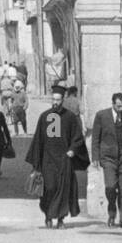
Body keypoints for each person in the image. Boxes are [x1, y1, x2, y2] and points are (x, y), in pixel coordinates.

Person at [26, 84, 88, 228]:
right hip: (47, 160)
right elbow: (38, 140)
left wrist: (73, 149)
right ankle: (48, 215)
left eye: (58, 100)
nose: (55, 103)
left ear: (63, 100)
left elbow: (77, 137)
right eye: (53, 100)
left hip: (64, 160)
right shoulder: (44, 117)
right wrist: (36, 162)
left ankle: (60, 219)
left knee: (64, 188)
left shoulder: (70, 117)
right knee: (49, 188)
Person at [91, 92, 122, 227]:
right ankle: (112, 212)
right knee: (110, 186)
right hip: (108, 157)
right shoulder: (101, 116)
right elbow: (95, 138)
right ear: (113, 104)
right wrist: (95, 157)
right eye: (118, 106)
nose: (121, 109)